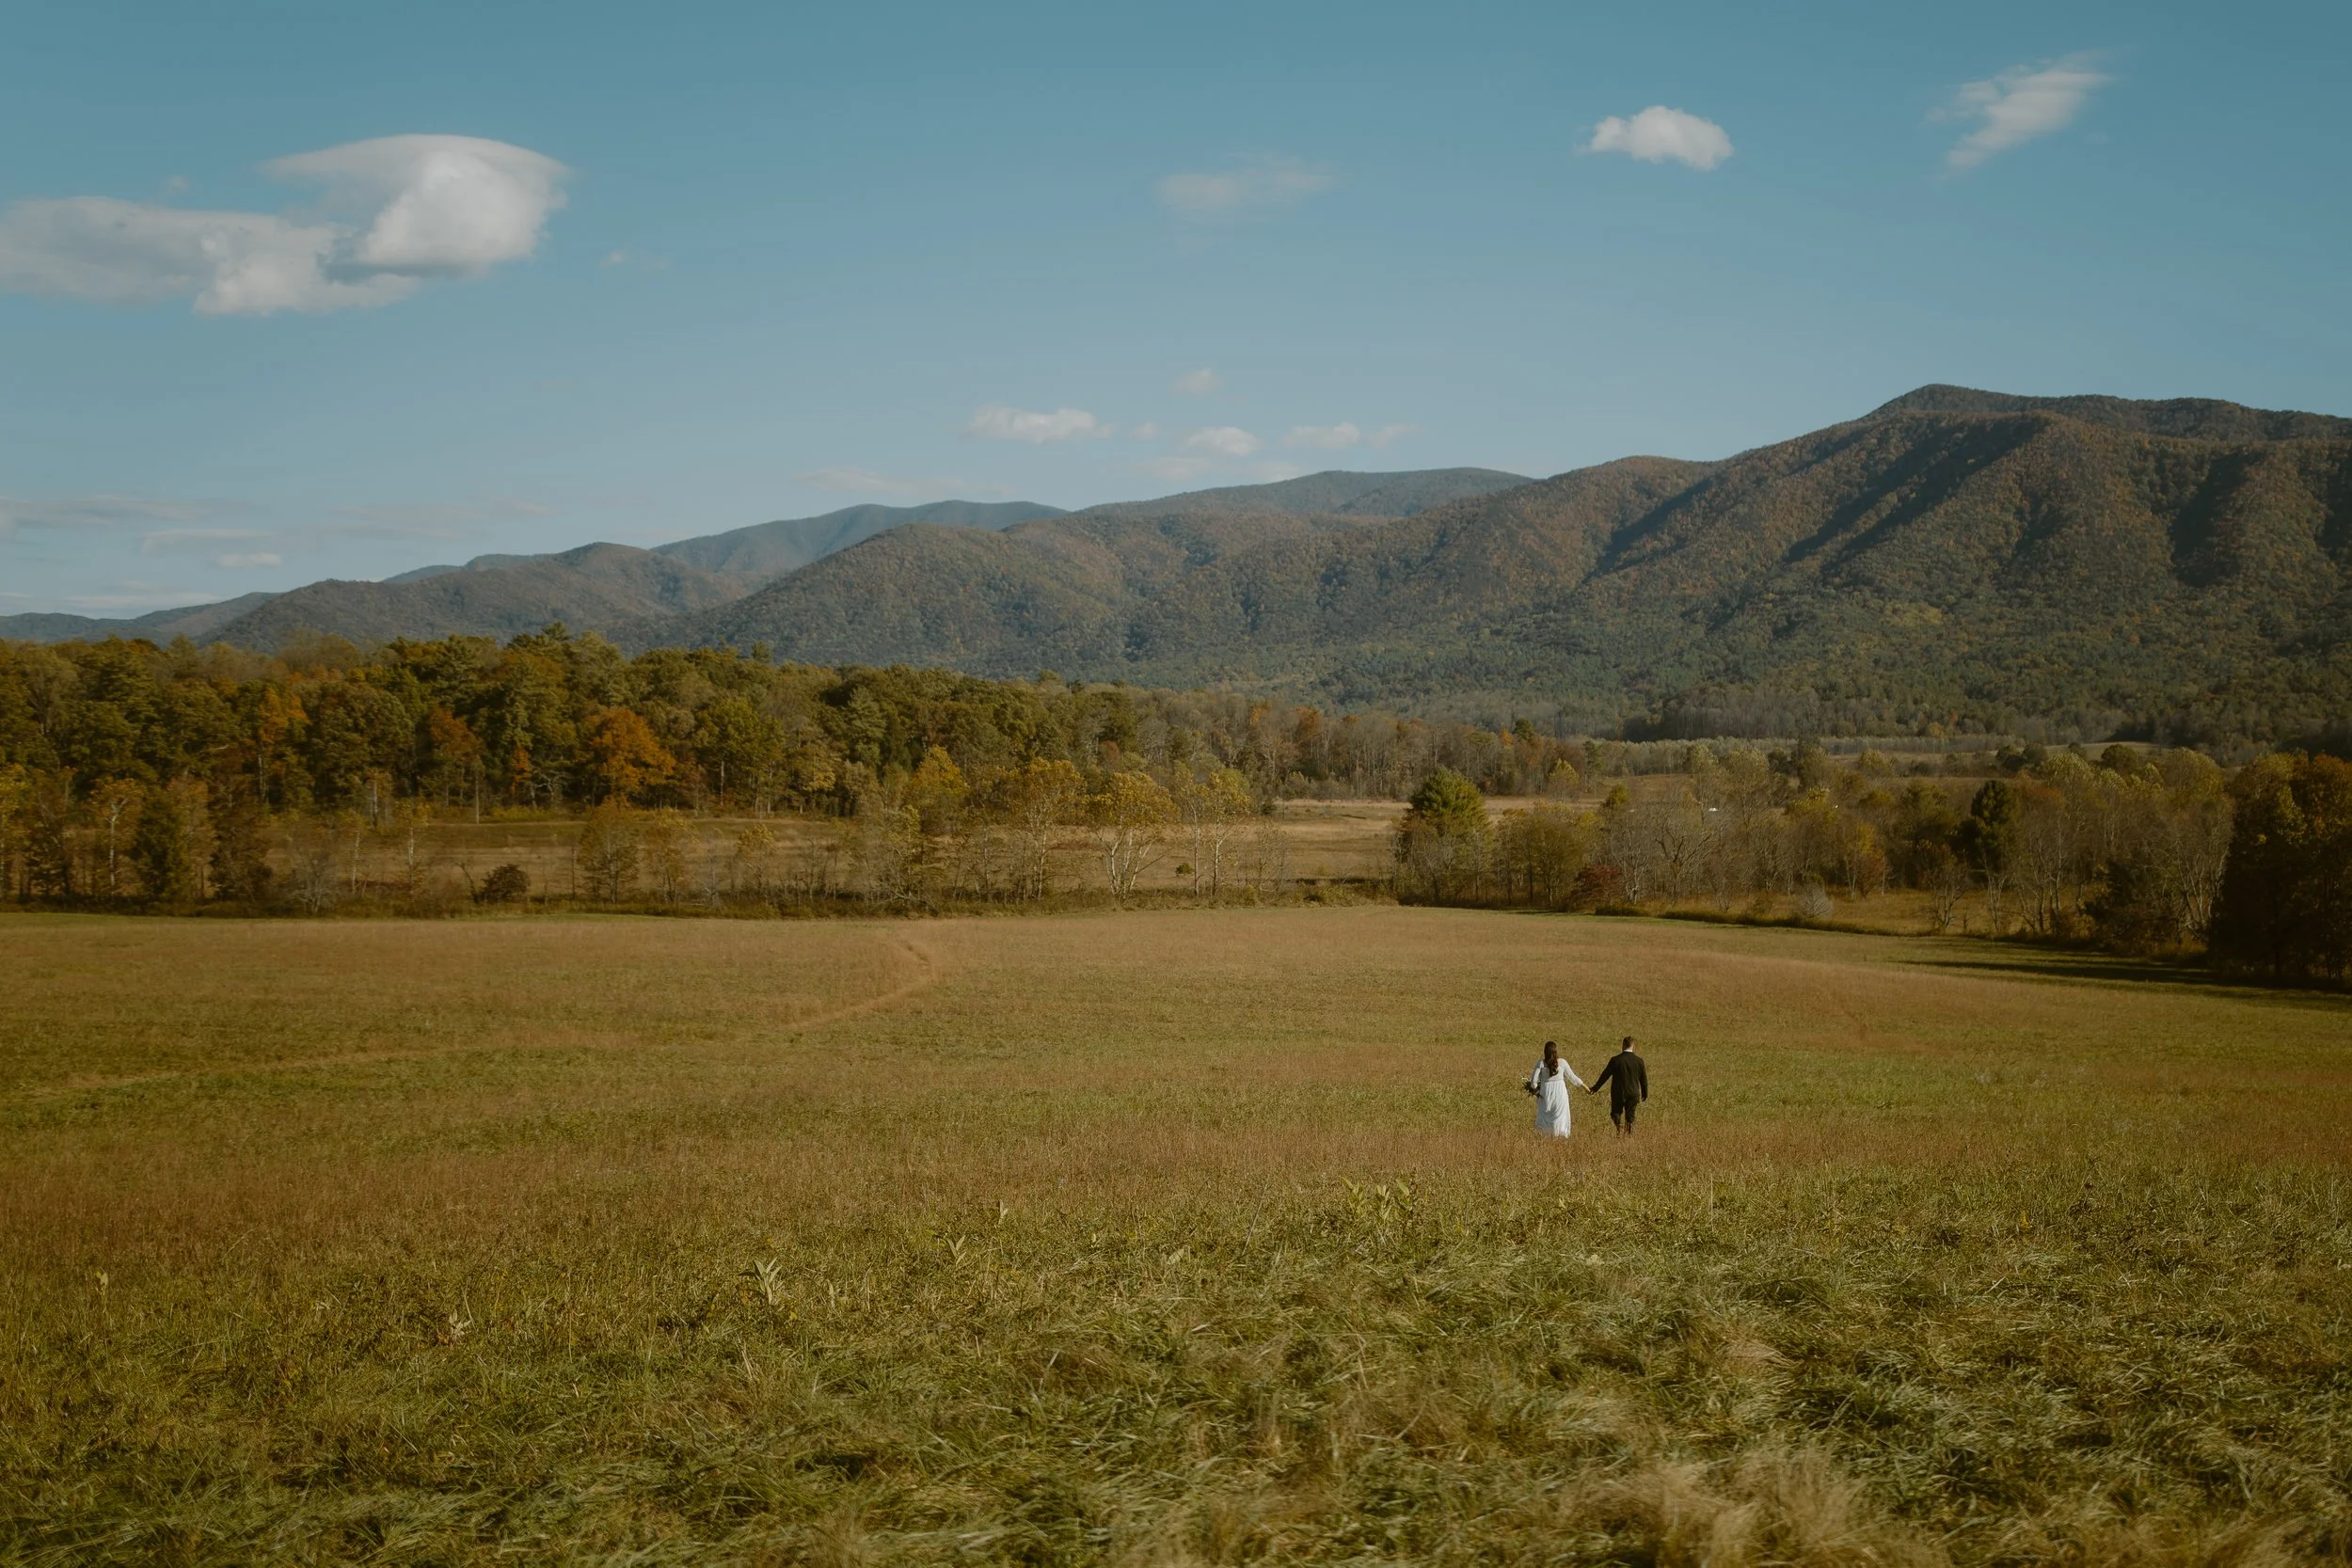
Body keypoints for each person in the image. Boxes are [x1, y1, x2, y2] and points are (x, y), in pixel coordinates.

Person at [1523, 1039, 1587, 1138]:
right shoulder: (1562, 1062)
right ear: (1555, 1051)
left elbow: (1533, 1083)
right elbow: (1573, 1078)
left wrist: (1538, 1093)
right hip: (1560, 1093)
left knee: (1545, 1117)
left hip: (1546, 1093)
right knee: (1560, 1117)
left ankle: (1546, 1137)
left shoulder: (1541, 1063)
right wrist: (1587, 1088)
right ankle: (1559, 1137)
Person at [1589, 1036, 1648, 1135]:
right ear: (1633, 1046)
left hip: (1618, 1093)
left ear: (1623, 1045)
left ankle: (1618, 1128)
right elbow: (1644, 1079)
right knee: (1630, 1116)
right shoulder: (1639, 1061)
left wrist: (1595, 1088)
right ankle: (1629, 1134)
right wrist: (1645, 1092)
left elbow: (1605, 1076)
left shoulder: (1616, 1060)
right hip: (1633, 1093)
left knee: (1615, 1113)